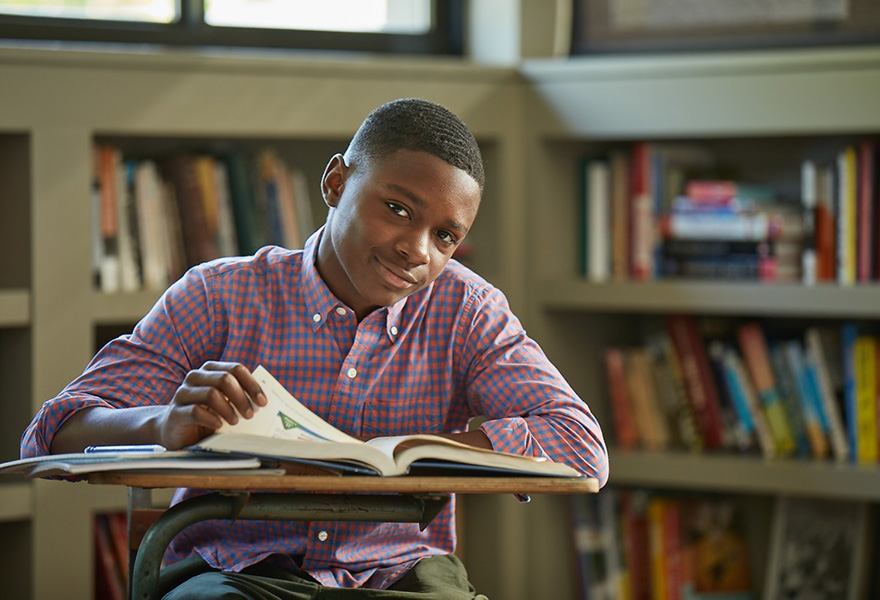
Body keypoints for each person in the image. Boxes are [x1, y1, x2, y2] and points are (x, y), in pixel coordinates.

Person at [21, 98, 608, 599]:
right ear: (335, 183)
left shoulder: (468, 311)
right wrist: (163, 421)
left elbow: (582, 447)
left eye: (445, 236)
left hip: (403, 576)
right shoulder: (219, 294)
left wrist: (415, 451)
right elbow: (54, 428)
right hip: (236, 574)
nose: (416, 249)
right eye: (398, 209)